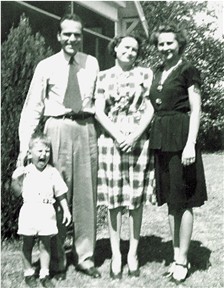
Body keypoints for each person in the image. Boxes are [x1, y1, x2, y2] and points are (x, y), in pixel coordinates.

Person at [17, 13, 101, 279]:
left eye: (77, 34)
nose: (72, 39)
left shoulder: (92, 64)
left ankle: (85, 256)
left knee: (86, 197)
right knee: (54, 194)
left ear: (81, 36)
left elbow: (100, 102)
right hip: (57, 129)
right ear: (58, 36)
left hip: (86, 129)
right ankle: (55, 259)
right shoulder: (46, 66)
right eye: (67, 34)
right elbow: (33, 107)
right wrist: (24, 146)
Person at [149, 23, 207, 283]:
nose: (165, 48)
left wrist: (190, 144)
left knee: (183, 200)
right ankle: (176, 257)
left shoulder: (188, 70)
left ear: (179, 43)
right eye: (161, 43)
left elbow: (196, 110)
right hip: (162, 139)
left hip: (181, 137)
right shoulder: (157, 71)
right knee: (172, 200)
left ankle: (183, 259)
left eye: (169, 43)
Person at [94, 34, 155, 279]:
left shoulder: (145, 74)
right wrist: (119, 134)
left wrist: (135, 135)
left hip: (138, 141)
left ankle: (133, 253)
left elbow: (150, 108)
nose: (130, 52)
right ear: (116, 48)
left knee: (135, 198)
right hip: (111, 140)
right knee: (115, 198)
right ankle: (116, 254)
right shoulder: (103, 76)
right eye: (126, 47)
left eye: (135, 49)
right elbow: (99, 111)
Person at [11, 133, 71, 288]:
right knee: (28, 244)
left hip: (46, 211)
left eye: (47, 151)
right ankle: (28, 273)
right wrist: (15, 180)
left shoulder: (52, 172)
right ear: (30, 154)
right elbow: (16, 193)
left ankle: (44, 274)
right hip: (30, 210)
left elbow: (60, 193)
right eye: (40, 151)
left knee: (46, 244)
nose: (44, 154)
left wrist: (66, 210)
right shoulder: (26, 172)